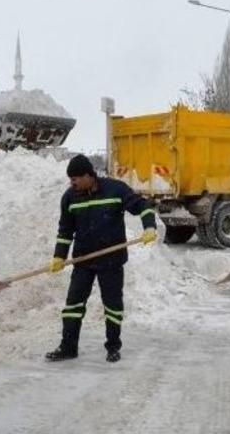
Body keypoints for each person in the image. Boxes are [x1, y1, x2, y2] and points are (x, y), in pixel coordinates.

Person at [45, 154, 157, 363]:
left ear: (88, 175)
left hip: (111, 260)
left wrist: (149, 226)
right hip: (83, 260)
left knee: (112, 305)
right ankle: (68, 347)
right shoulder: (69, 197)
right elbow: (65, 231)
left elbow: (142, 206)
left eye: (76, 178)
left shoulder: (115, 189)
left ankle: (113, 347)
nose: (72, 183)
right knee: (73, 305)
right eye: (71, 179)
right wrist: (59, 256)